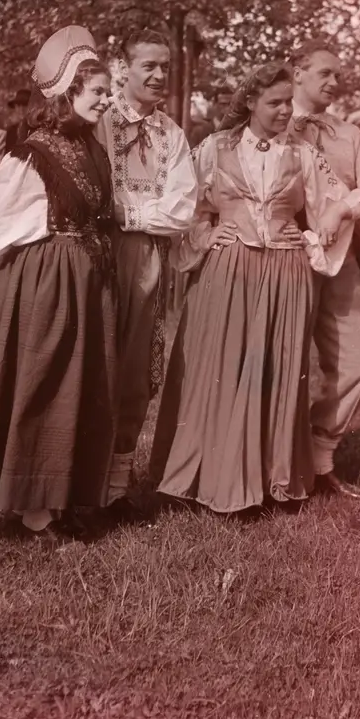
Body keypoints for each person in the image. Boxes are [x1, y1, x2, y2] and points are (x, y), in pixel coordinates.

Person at [0, 27, 119, 539]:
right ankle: (34, 506)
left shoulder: (91, 147)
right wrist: (41, 258)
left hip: (86, 278)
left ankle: (61, 496)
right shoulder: (33, 153)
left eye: (107, 92)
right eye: (97, 92)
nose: (106, 100)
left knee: (79, 386)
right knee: (45, 383)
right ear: (67, 93)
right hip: (50, 279)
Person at [149, 63, 352, 515]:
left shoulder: (304, 154)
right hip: (228, 269)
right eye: (274, 102)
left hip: (285, 272)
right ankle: (208, 477)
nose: (284, 110)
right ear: (250, 102)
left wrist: (311, 237)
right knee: (218, 367)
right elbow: (183, 205)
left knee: (274, 370)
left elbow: (337, 205)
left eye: (287, 102)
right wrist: (206, 235)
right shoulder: (214, 147)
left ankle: (268, 480)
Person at [95, 29, 199, 508]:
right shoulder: (99, 120)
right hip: (97, 252)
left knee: (136, 369)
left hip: (146, 259)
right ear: (123, 68)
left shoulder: (171, 135)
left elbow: (181, 210)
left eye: (165, 67)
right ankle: (78, 477)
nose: (159, 76)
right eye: (148, 66)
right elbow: (93, 196)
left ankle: (116, 486)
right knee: (94, 359)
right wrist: (121, 213)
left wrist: (128, 214)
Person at [287, 42, 360, 497]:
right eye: (324, 73)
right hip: (283, 258)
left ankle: (321, 456)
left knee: (353, 363)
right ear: (297, 72)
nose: (334, 83)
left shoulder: (348, 135)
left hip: (340, 258)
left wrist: (342, 208)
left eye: (338, 77)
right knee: (284, 360)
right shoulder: (271, 121)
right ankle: (276, 460)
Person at [187, 83, 234, 148]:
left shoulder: (239, 131)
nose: (227, 108)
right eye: (223, 104)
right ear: (214, 104)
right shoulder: (199, 132)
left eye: (230, 104)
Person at [4, 87, 32, 151]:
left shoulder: (38, 130)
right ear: (15, 107)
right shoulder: (11, 131)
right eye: (18, 105)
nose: (21, 109)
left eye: (25, 105)